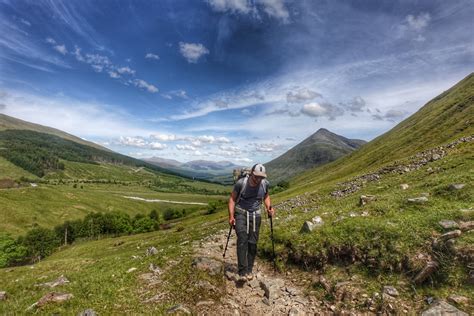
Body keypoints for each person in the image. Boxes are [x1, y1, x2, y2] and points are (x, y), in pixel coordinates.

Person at [228, 163, 275, 280]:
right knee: (242, 238)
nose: (259, 179)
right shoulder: (241, 183)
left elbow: (266, 196)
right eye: (256, 176)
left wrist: (269, 208)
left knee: (253, 243)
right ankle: (242, 271)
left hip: (256, 214)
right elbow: (232, 199)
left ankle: (249, 269)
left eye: (261, 177)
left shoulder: (265, 184)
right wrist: (231, 216)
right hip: (241, 212)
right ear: (251, 174)